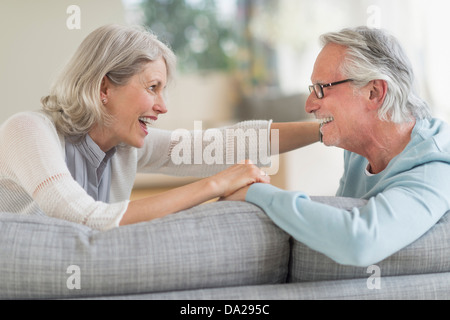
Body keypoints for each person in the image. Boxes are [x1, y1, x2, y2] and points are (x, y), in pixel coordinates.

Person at [0, 24, 319, 231]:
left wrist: (323, 131)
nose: (163, 106)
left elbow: (222, 145)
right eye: (152, 87)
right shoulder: (28, 131)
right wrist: (214, 186)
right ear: (103, 88)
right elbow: (87, 218)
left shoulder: (122, 145)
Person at [224, 26, 450, 267]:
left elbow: (359, 242)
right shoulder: (358, 153)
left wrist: (257, 192)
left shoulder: (434, 168)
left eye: (321, 89)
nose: (309, 106)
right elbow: (337, 217)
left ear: (374, 92)